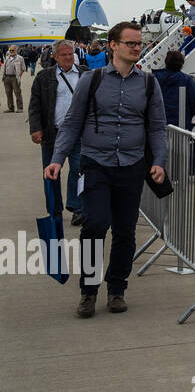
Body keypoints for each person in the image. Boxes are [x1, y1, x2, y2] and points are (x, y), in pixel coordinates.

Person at [46, 21, 167, 318]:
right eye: (130, 43)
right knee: (95, 225)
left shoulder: (149, 82)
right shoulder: (93, 79)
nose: (137, 48)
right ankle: (88, 292)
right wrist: (58, 158)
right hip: (96, 163)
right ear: (113, 45)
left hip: (131, 165)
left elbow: (157, 127)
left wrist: (159, 162)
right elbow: (73, 121)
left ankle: (117, 289)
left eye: (139, 43)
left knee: (125, 231)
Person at [28, 40, 89, 225]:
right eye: (64, 55)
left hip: (79, 134)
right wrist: (35, 128)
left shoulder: (85, 74)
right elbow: (35, 104)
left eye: (70, 54)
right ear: (54, 56)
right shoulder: (44, 77)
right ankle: (54, 211)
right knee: (51, 172)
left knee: (79, 170)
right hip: (52, 133)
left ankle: (76, 207)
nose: (68, 58)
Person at [154, 50, 195, 128]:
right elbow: (194, 103)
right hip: (181, 124)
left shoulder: (154, 78)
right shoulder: (186, 80)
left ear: (166, 62)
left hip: (158, 124)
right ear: (181, 64)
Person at [3, 45, 25, 112]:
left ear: (16, 50)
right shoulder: (7, 58)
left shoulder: (20, 58)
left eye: (13, 50)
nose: (11, 52)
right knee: (8, 93)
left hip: (14, 78)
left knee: (17, 93)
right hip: (7, 77)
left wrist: (19, 76)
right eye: (10, 50)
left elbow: (23, 69)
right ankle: (11, 108)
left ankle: (20, 108)